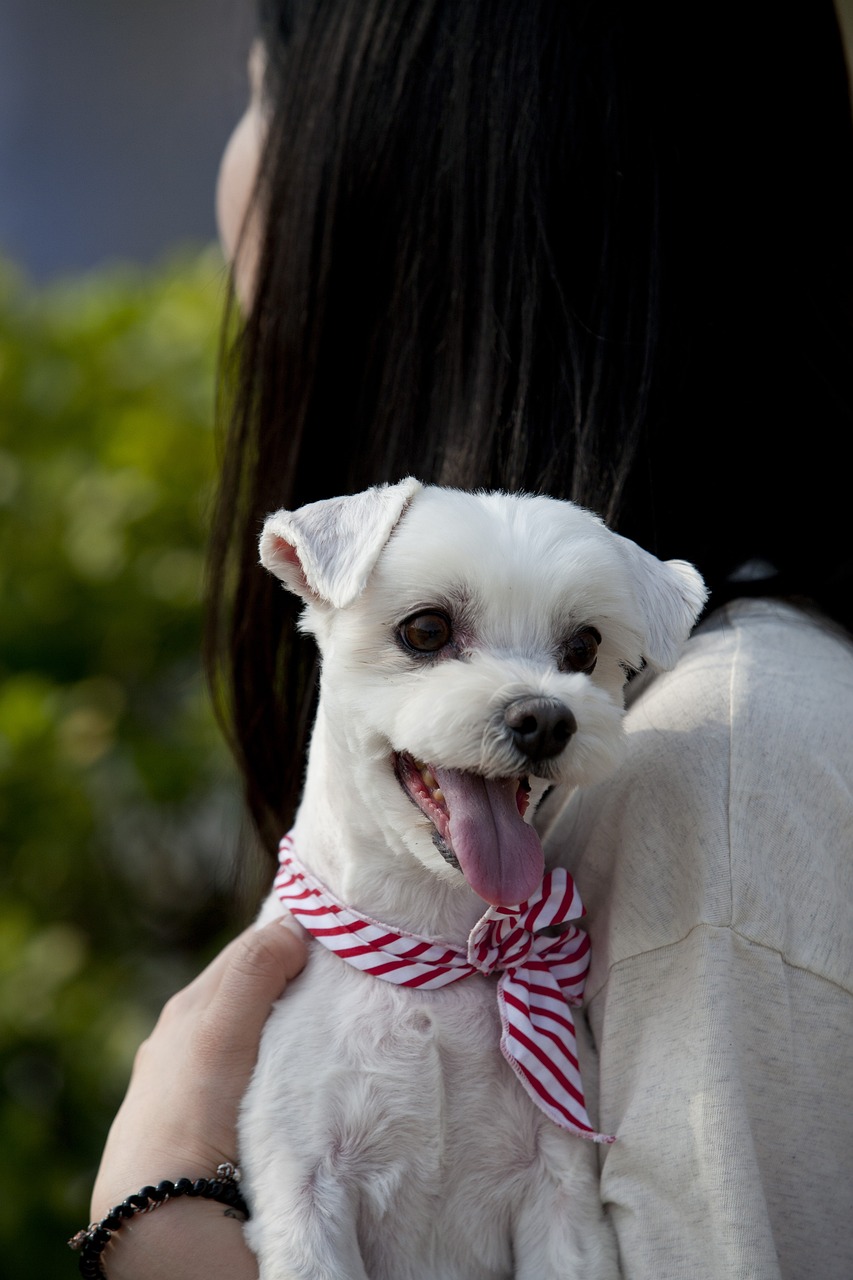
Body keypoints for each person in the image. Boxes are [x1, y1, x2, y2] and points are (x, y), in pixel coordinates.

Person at [84, 2, 853, 1277]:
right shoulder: (708, 719)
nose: (237, 158)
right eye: (431, 631)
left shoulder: (720, 762)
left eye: (262, 85)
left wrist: (160, 1226)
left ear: (412, 155)